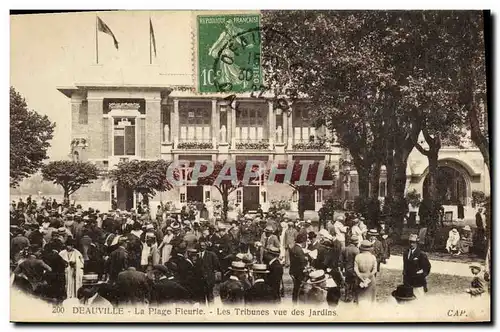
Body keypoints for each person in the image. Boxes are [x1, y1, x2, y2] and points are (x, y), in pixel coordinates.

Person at [403, 234, 431, 298]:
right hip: (408, 281)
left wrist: (421, 274)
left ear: (417, 243)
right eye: (410, 242)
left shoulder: (421, 254)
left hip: (418, 282)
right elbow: (405, 266)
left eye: (413, 242)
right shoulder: (406, 253)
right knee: (408, 300)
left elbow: (427, 267)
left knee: (419, 299)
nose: (411, 244)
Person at [354, 240, 377, 306]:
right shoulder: (373, 257)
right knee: (370, 297)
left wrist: (361, 278)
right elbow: (375, 270)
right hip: (370, 278)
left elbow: (355, 269)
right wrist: (368, 277)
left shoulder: (358, 256)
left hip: (360, 278)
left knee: (360, 296)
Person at [198, 240, 221, 305]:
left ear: (206, 246)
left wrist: (212, 272)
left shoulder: (211, 254)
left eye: (203, 245)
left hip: (209, 278)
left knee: (210, 295)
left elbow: (216, 264)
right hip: (200, 279)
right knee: (202, 297)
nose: (202, 247)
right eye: (200, 246)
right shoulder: (197, 254)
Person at [289, 233, 308, 304]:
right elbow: (302, 261)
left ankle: (294, 302)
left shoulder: (294, 248)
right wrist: (306, 258)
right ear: (303, 241)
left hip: (293, 271)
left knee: (296, 288)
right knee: (299, 288)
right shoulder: (299, 250)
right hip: (299, 272)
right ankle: (298, 303)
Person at [341, 235, 360, 302]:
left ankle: (346, 296)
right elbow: (357, 261)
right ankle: (354, 298)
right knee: (355, 283)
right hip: (354, 269)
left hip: (346, 269)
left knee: (347, 283)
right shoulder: (356, 250)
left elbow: (341, 260)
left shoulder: (344, 248)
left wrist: (342, 268)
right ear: (356, 243)